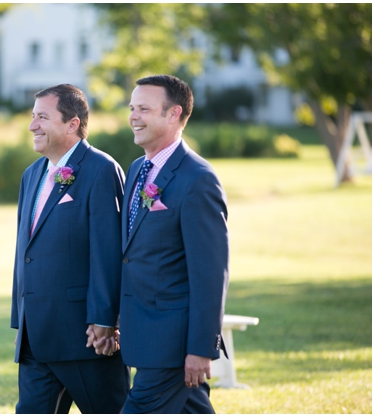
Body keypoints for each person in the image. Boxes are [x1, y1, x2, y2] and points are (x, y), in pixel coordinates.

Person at [10, 84, 129, 413]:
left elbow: (108, 250)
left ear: (72, 124)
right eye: (33, 116)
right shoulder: (31, 175)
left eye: (42, 117)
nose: (32, 125)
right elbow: (29, 250)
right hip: (36, 337)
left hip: (86, 338)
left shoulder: (101, 170)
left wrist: (105, 319)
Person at [118, 74, 229, 413]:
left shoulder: (199, 179)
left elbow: (210, 274)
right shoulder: (138, 169)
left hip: (171, 342)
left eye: (144, 109)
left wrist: (199, 348)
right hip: (143, 334)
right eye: (132, 108)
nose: (134, 116)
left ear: (173, 114)